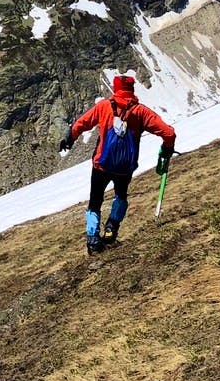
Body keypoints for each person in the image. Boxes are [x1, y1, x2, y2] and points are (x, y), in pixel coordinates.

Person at [59, 75, 176, 255]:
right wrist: (167, 149)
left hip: (101, 165)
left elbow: (82, 123)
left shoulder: (104, 106)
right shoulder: (140, 111)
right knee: (121, 196)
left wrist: (69, 138)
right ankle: (112, 227)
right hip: (124, 168)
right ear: (132, 89)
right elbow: (168, 133)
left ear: (116, 88)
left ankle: (93, 239)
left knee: (95, 202)